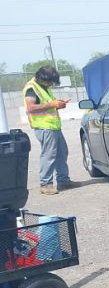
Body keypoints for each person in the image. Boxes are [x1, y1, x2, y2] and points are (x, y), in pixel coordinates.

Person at [23, 65, 78, 194]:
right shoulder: (32, 88)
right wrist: (52, 104)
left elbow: (47, 105)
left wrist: (58, 105)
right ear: (42, 78)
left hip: (53, 126)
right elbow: (31, 108)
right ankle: (46, 184)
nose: (51, 84)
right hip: (44, 127)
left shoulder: (43, 87)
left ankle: (63, 181)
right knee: (49, 155)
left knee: (62, 153)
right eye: (50, 81)